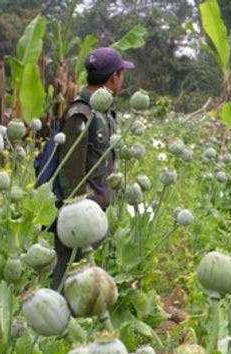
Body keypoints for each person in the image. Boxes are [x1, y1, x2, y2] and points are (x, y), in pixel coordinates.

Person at [51, 47, 134, 289]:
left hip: (96, 212)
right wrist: (80, 215)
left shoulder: (104, 112)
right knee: (68, 275)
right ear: (113, 77)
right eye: (122, 74)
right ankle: (55, 322)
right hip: (79, 216)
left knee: (87, 280)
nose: (122, 79)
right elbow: (70, 172)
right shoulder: (81, 114)